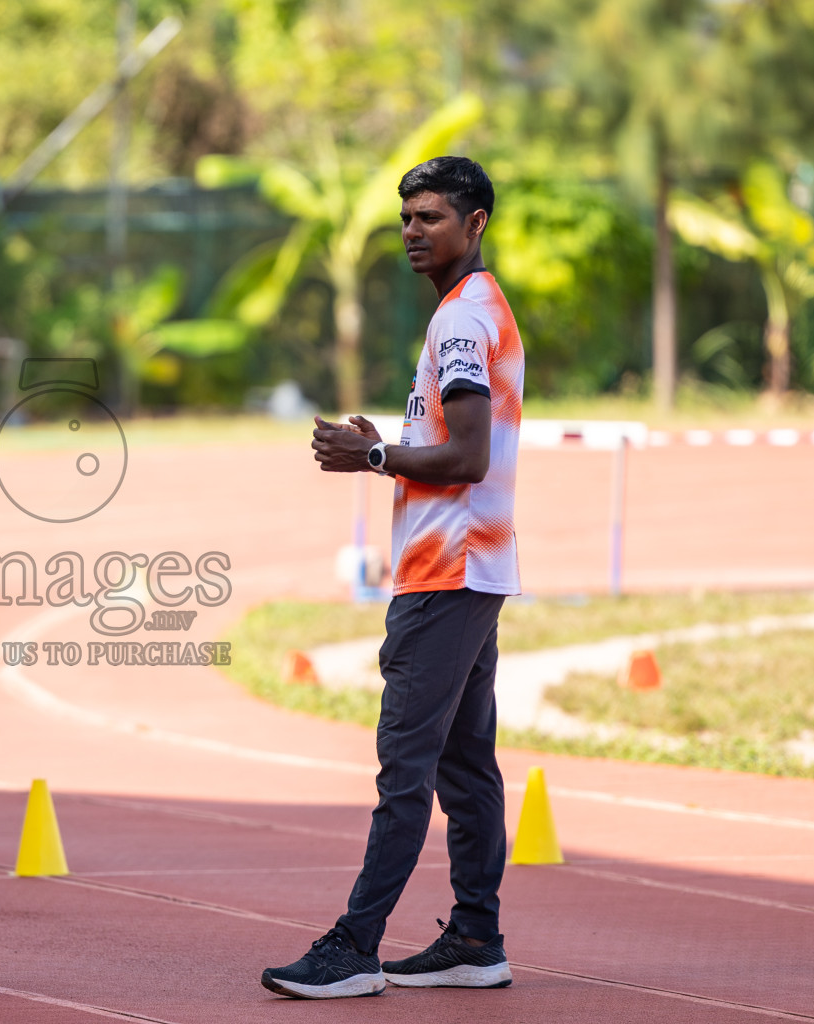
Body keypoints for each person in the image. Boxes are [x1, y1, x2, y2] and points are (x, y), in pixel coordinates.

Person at [261, 156, 523, 999]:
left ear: (475, 223)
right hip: (474, 570)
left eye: (432, 217)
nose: (413, 231)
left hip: (444, 576)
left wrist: (372, 455)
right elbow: (448, 440)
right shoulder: (476, 311)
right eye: (407, 217)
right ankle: (477, 939)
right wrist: (393, 447)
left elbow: (469, 455)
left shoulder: (458, 322)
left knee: (404, 770)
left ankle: (354, 947)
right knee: (465, 766)